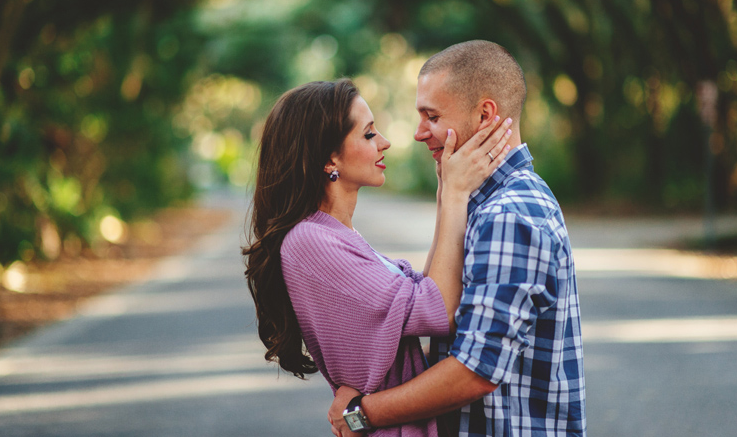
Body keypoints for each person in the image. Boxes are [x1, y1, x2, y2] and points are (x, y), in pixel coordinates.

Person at [329, 41, 587, 437]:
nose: (418, 133)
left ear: (485, 115)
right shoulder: (481, 204)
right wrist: (449, 198)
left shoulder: (509, 214)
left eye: (431, 116)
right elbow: (433, 310)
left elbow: (475, 371)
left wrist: (364, 412)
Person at [243, 78, 513, 437]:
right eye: (369, 135)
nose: (384, 142)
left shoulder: (335, 233)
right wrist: (456, 196)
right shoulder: (311, 241)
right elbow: (438, 310)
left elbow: (423, 290)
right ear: (329, 158)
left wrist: (446, 195)